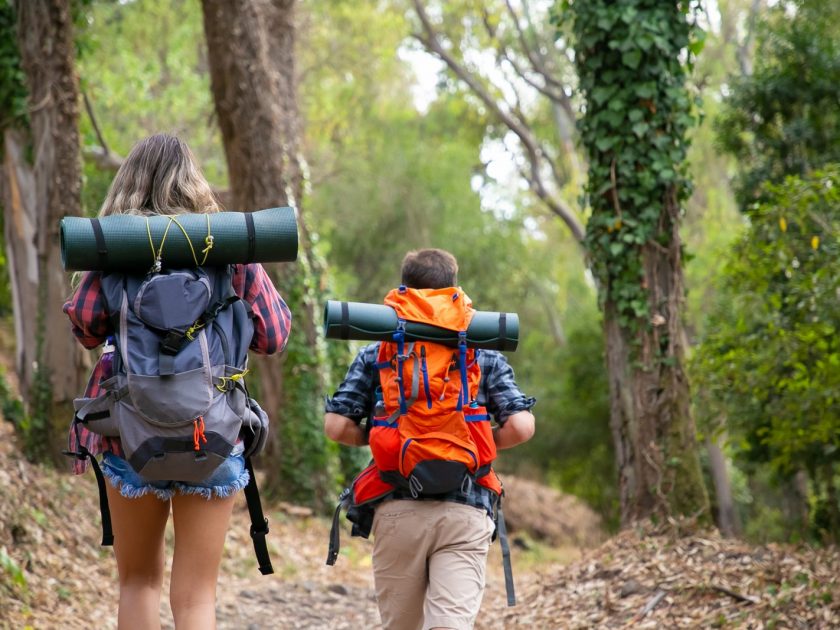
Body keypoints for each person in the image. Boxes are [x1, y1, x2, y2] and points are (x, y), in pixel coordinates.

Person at [63, 133, 291, 630]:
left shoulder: (116, 252)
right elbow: (274, 335)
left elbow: (83, 326)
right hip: (213, 432)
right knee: (196, 597)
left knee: (137, 582)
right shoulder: (229, 249)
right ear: (195, 181)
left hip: (129, 436)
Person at [324, 248, 535, 630]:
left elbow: (337, 426)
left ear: (404, 290)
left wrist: (382, 437)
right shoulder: (481, 352)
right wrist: (477, 441)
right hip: (466, 508)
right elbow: (521, 426)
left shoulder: (379, 351)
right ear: (454, 288)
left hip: (397, 506)